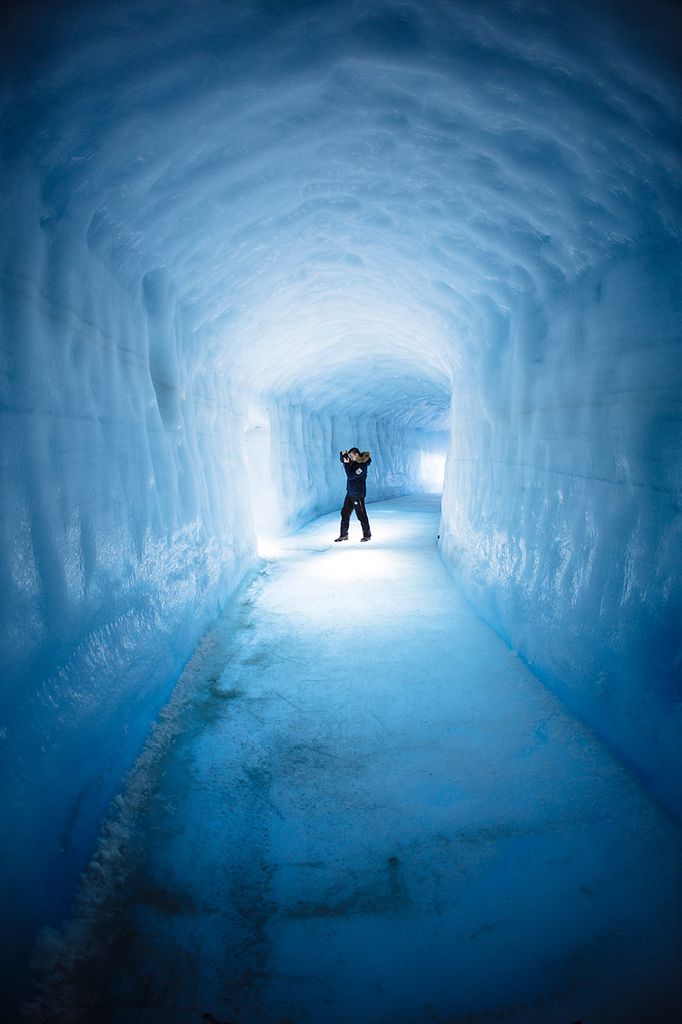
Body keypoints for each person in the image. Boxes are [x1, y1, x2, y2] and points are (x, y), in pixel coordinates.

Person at [335, 447, 372, 542]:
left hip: (358, 494)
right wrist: (343, 455)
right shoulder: (354, 462)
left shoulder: (362, 466)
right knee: (344, 513)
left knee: (361, 515)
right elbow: (344, 461)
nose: (350, 458)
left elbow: (351, 476)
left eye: (351, 456)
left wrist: (347, 463)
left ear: (356, 455)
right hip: (350, 492)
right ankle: (343, 535)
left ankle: (367, 535)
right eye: (350, 456)